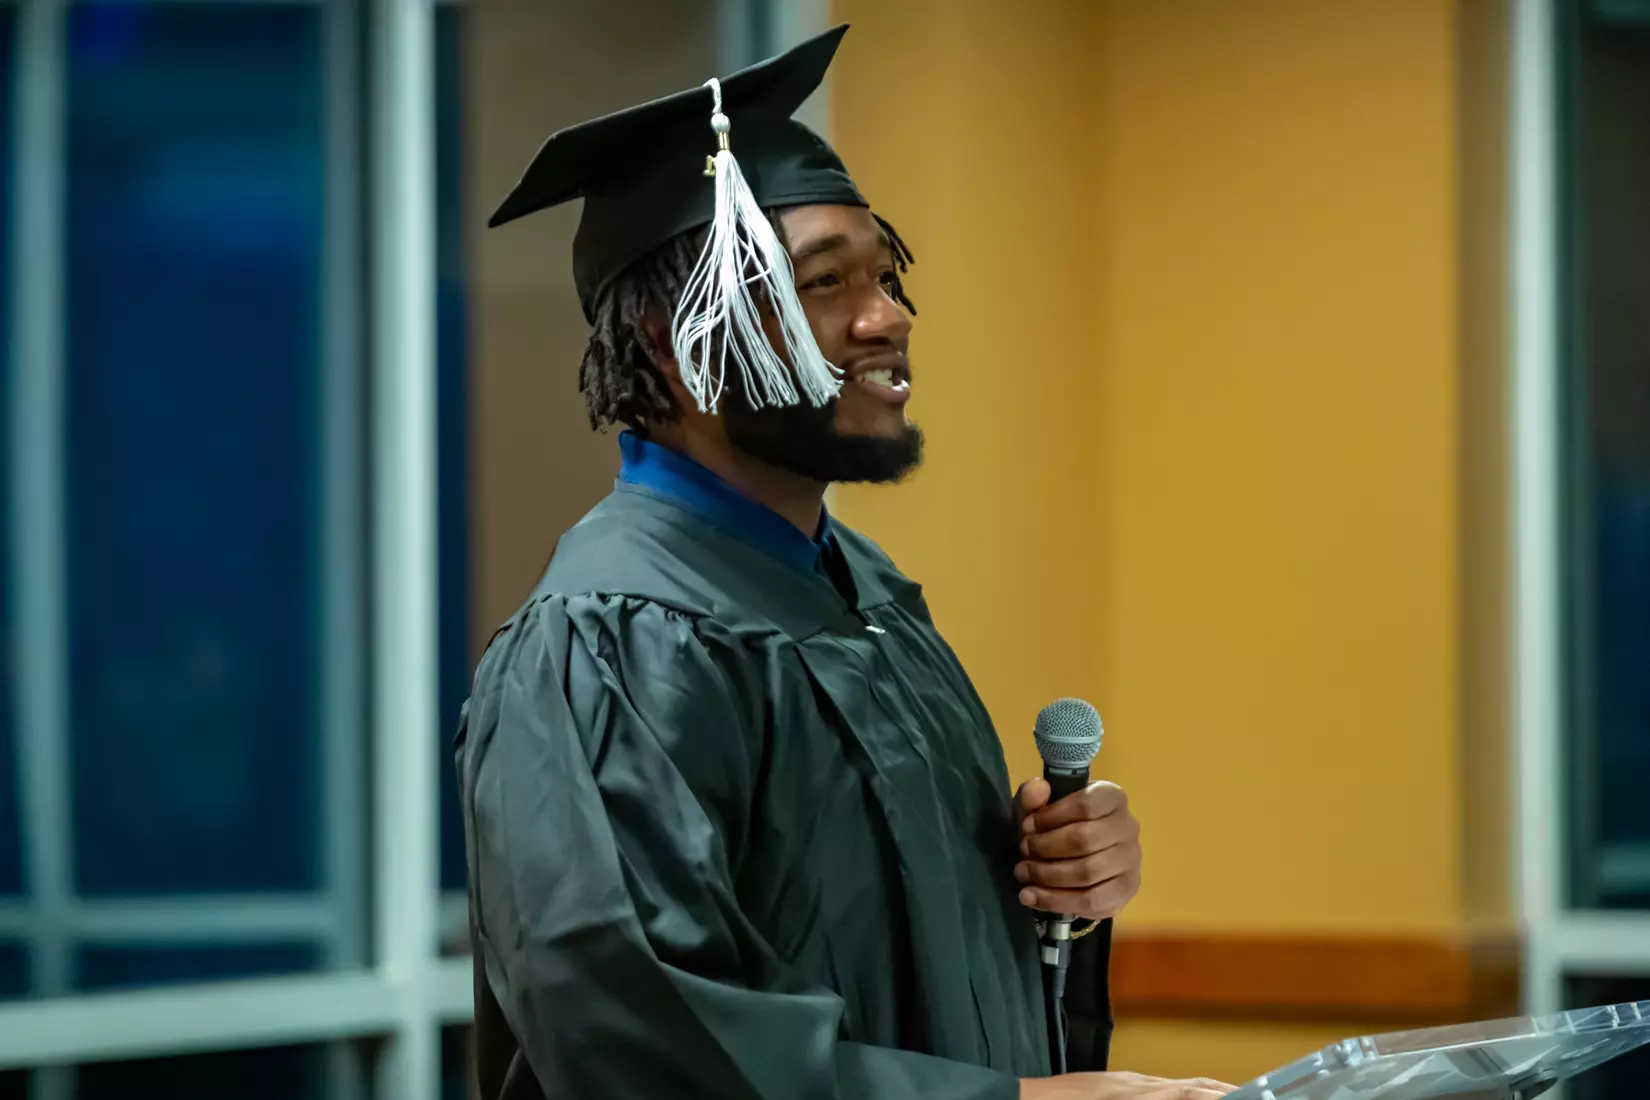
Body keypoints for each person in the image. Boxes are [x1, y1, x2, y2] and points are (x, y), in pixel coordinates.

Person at [458, 25, 1233, 1100]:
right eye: (827, 284)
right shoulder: (608, 647)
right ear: (686, 350)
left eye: (888, 274)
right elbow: (638, 1046)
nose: (891, 318)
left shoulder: (861, 595)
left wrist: (1060, 894)